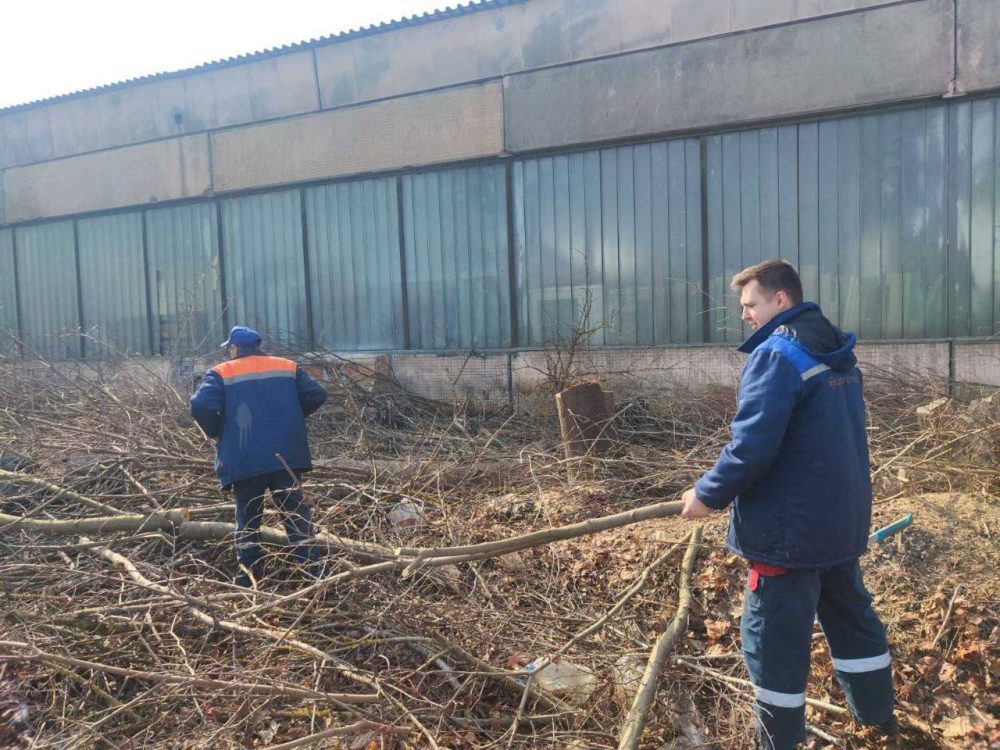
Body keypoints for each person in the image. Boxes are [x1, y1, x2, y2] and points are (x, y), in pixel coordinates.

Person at [680, 260, 896, 749]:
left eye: (750, 305)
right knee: (852, 621)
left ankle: (778, 744)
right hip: (840, 524)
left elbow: (752, 446)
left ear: (781, 301)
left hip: (788, 536)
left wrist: (707, 493)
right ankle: (881, 723)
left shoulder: (777, 356)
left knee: (773, 643)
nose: (746, 316)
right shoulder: (837, 351)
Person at [190, 326, 328, 587]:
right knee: (296, 516)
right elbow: (317, 394)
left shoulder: (221, 372)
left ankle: (247, 579)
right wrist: (292, 420)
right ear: (257, 345)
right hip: (285, 456)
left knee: (248, 520)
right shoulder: (287, 367)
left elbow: (200, 405)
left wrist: (217, 431)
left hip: (244, 459)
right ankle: (314, 576)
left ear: (234, 348)